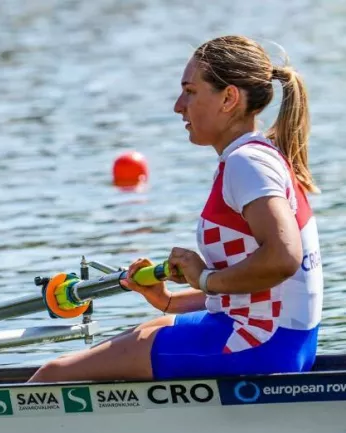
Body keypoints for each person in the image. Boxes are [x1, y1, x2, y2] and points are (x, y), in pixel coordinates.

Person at [30, 35, 322, 383]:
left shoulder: (248, 164)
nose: (178, 106)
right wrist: (170, 301)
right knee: (141, 332)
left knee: (54, 376)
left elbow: (282, 259)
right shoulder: (259, 156)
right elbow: (261, 290)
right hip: (273, 338)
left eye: (191, 91)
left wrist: (203, 278)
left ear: (228, 98)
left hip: (255, 343)